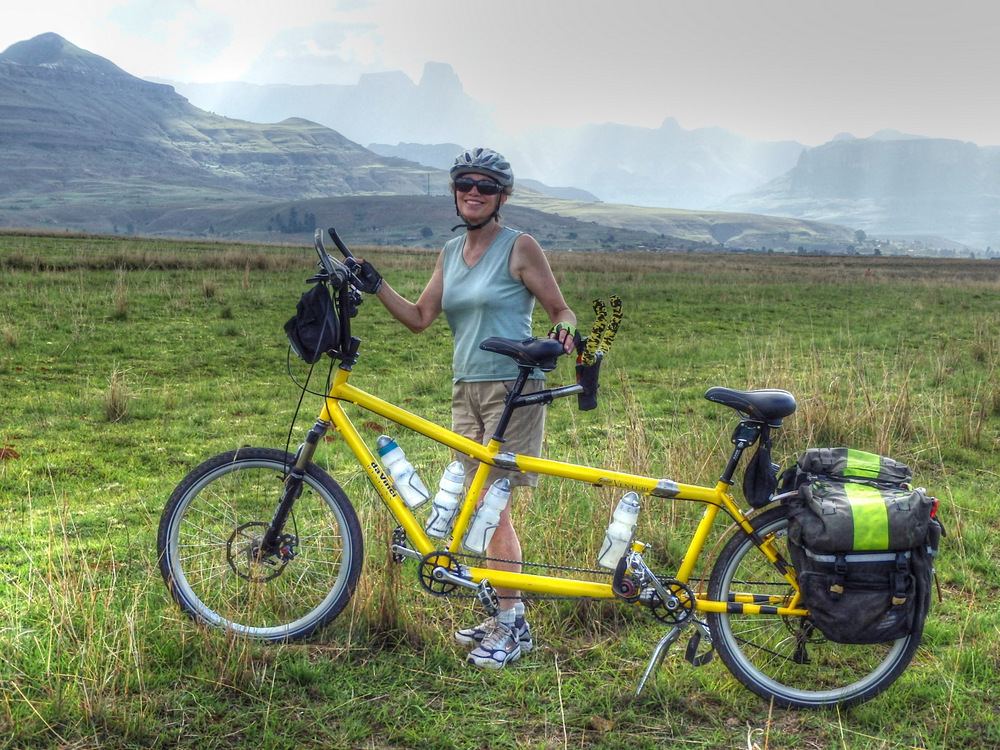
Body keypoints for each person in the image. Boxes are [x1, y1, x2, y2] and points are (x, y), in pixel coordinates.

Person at [358, 147, 577, 669]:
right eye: (464, 184)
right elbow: (419, 317)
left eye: (484, 185)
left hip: (511, 388)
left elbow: (560, 309)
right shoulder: (451, 251)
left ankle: (509, 621)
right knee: (474, 504)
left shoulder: (520, 247)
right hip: (466, 389)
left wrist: (562, 337)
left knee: (490, 504)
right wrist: (375, 285)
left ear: (502, 195)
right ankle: (510, 615)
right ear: (455, 192)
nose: (473, 192)